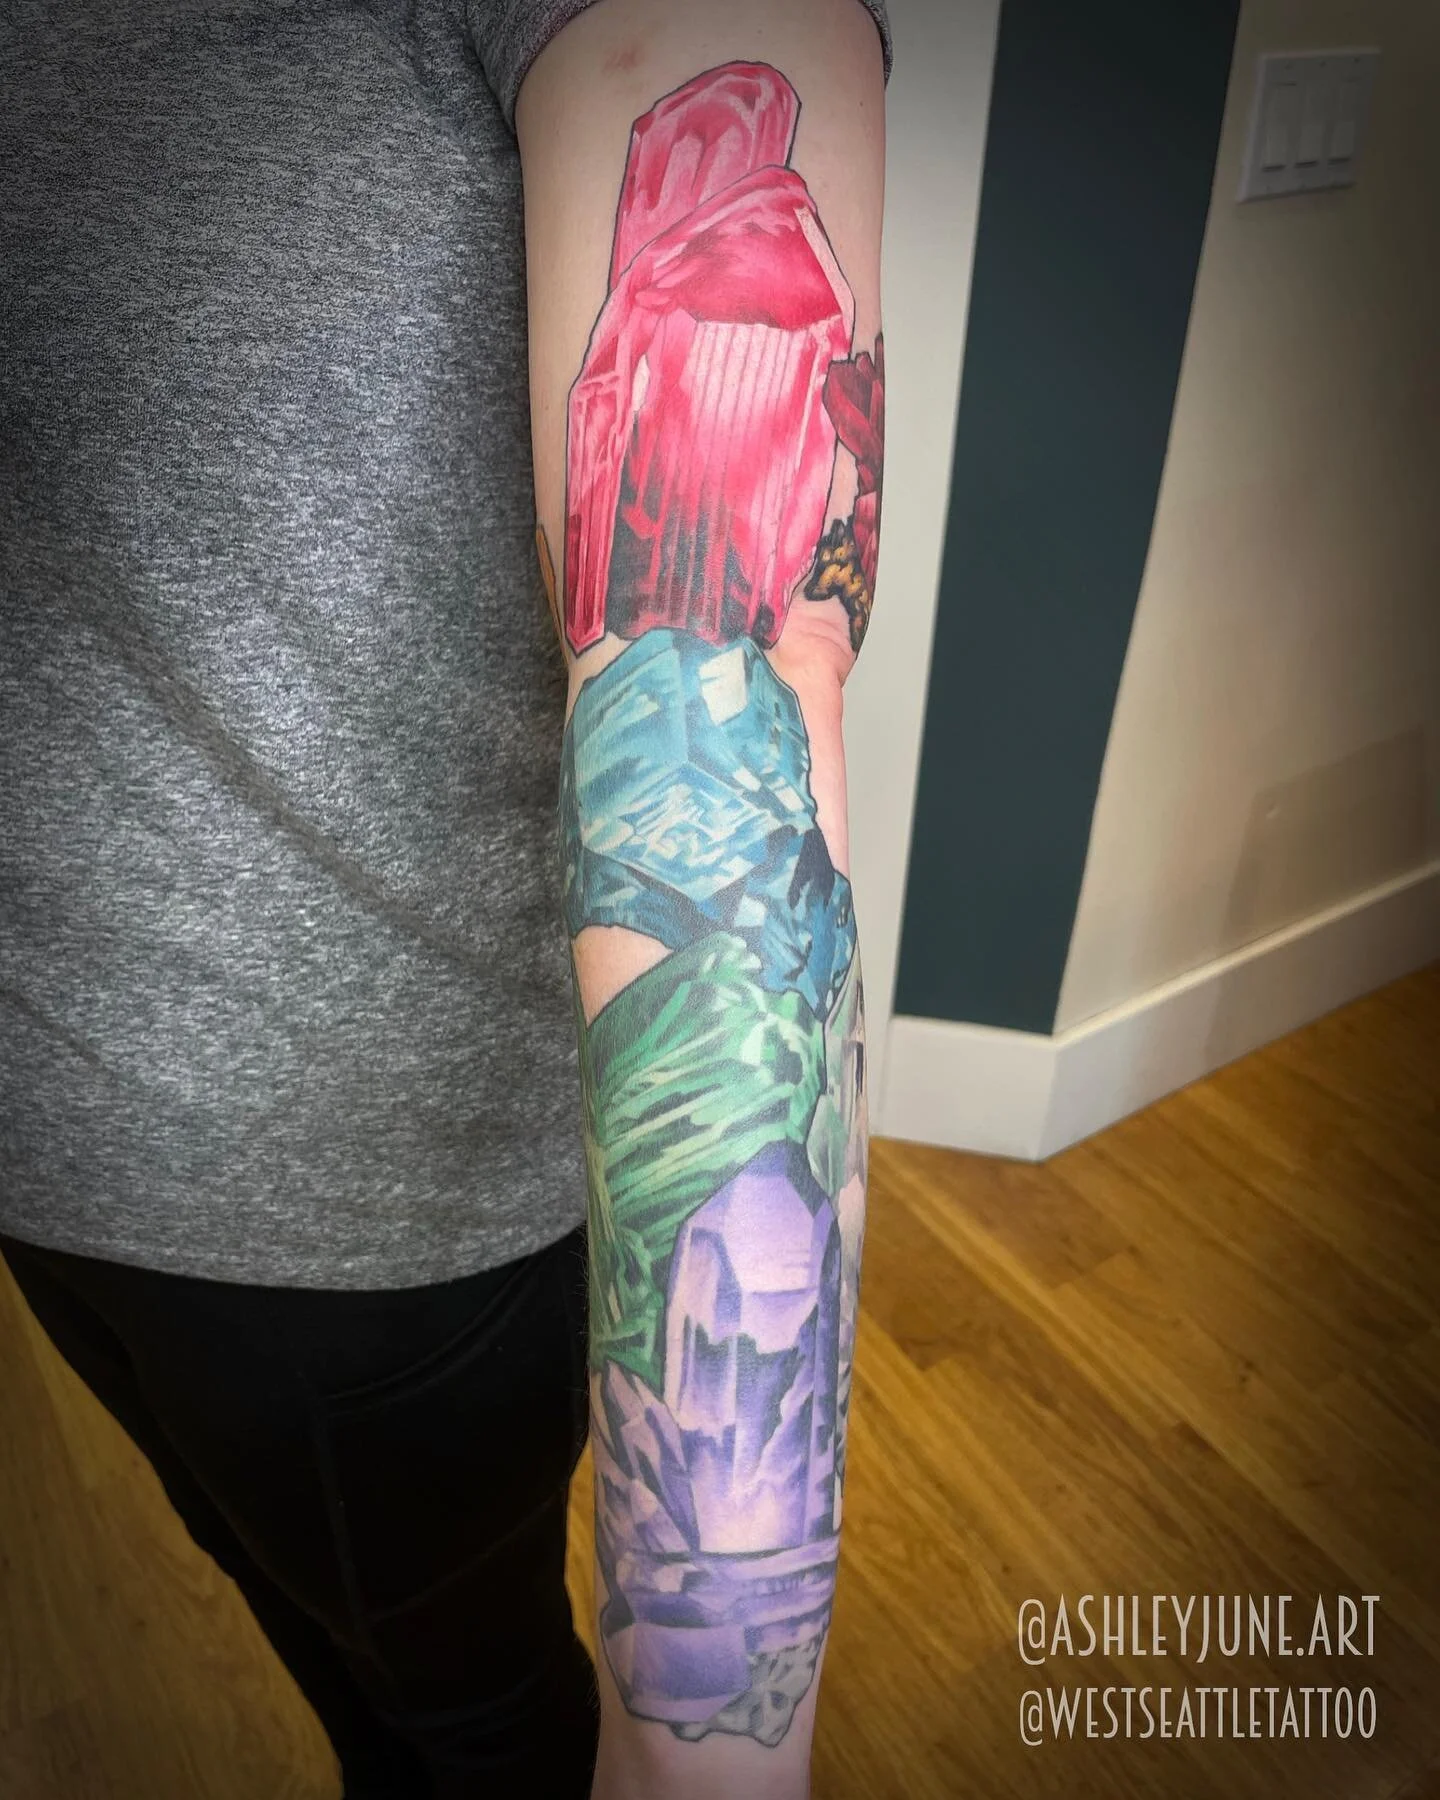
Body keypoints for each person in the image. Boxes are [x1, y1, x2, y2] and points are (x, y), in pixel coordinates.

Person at [0, 2, 889, 1795]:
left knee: (455, 1709)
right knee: (356, 1649)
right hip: (64, 1129)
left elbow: (737, 679)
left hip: (354, 1212)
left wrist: (709, 1740)